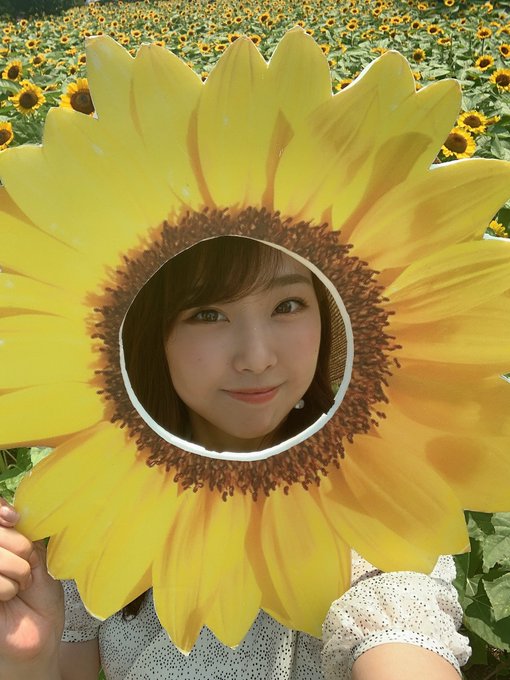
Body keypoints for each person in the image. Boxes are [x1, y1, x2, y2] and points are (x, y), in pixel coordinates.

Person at [0, 237, 470, 680]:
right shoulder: (101, 490)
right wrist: (27, 658)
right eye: (208, 314)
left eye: (288, 305)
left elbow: (402, 621)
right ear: (153, 332)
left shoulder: (375, 490)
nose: (257, 358)